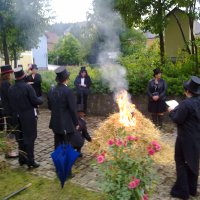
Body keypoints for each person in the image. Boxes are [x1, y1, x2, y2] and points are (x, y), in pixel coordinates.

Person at [168, 76, 200, 200]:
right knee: (193, 161)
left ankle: (183, 191)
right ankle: (192, 189)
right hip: (196, 137)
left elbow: (177, 119)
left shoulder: (186, 104)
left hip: (184, 138)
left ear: (188, 91)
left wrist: (171, 111)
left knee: (180, 161)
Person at [8, 67, 43, 168]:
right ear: (23, 76)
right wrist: (40, 99)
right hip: (27, 117)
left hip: (16, 117)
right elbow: (35, 101)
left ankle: (22, 159)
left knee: (20, 138)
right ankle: (30, 161)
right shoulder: (28, 87)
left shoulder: (11, 88)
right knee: (30, 138)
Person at [48, 66, 79, 149]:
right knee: (67, 144)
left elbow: (50, 107)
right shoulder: (68, 91)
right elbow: (73, 109)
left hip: (55, 122)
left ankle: (58, 160)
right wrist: (76, 123)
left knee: (57, 142)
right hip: (66, 124)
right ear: (66, 79)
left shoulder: (51, 90)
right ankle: (64, 161)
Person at [0, 65, 18, 158]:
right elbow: (10, 97)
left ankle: (8, 150)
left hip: (4, 110)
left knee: (7, 131)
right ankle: (9, 152)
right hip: (9, 111)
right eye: (10, 73)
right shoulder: (6, 84)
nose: (11, 75)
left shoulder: (1, 82)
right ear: (7, 74)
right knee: (11, 131)